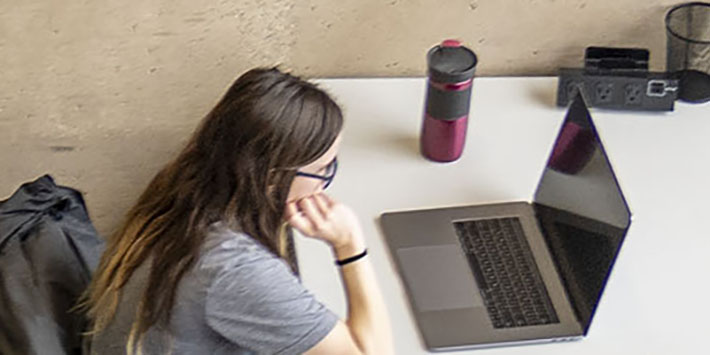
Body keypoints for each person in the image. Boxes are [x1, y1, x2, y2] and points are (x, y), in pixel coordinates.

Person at [81, 67, 394, 355]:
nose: (324, 186)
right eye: (322, 170)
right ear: (272, 177)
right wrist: (350, 246)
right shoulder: (235, 269)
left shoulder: (187, 180)